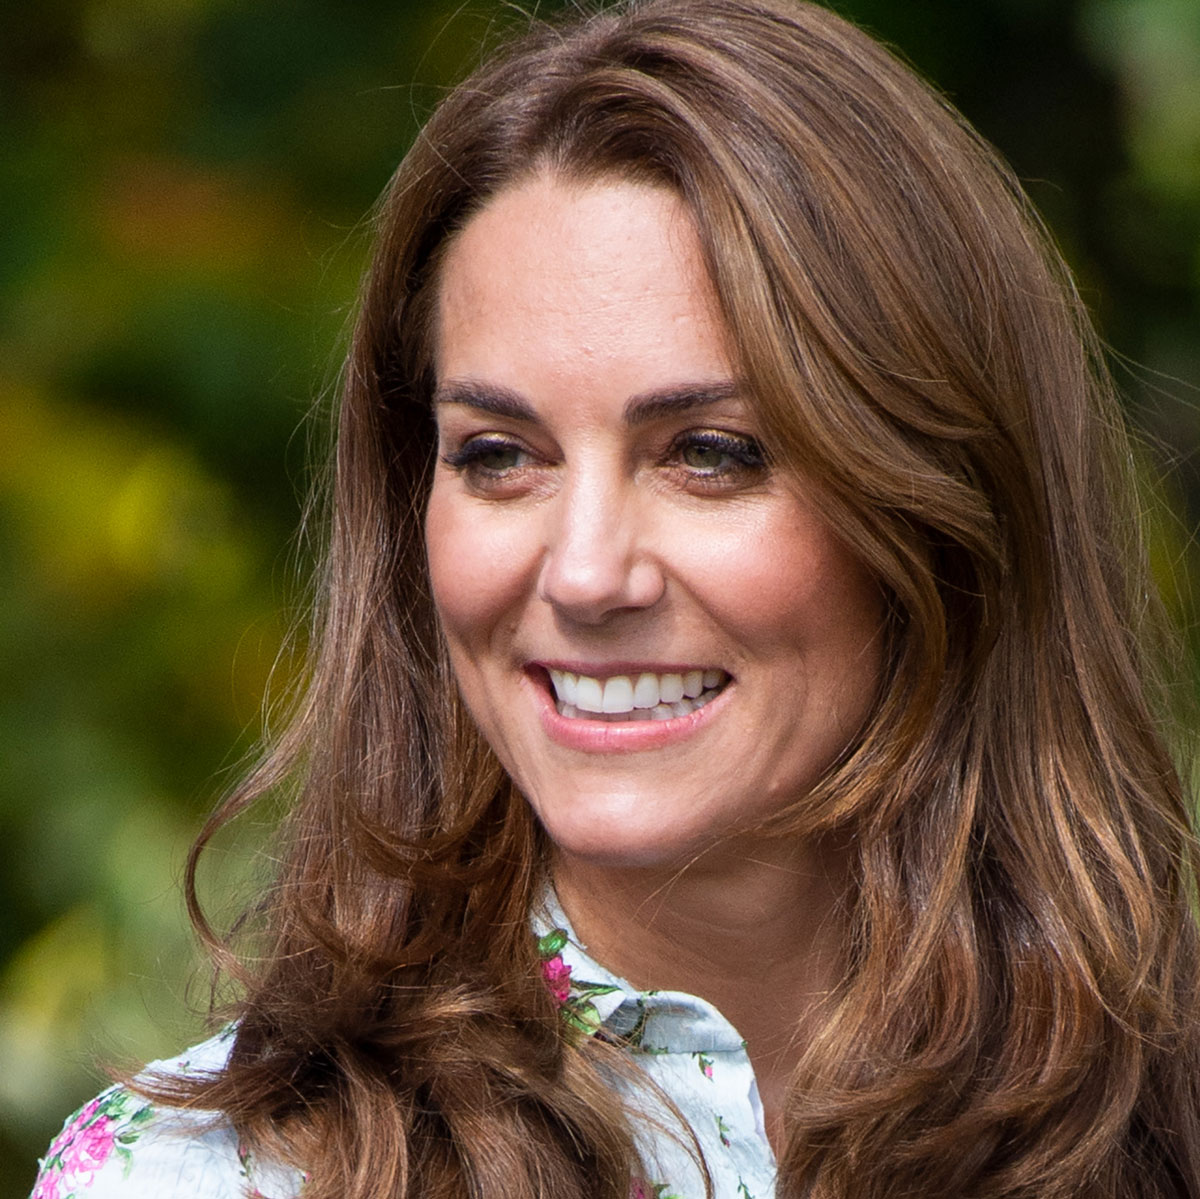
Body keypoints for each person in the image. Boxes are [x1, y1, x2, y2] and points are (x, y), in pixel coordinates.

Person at [32, 0, 1200, 1196]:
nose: (587, 574)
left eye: (711, 452)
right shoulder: (204, 1176)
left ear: (944, 503)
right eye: (498, 454)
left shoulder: (1169, 1116)